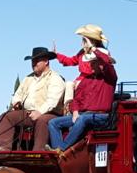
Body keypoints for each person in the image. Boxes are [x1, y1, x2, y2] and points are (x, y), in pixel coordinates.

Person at [47, 24, 118, 152]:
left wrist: (93, 49)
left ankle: (61, 150)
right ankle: (57, 149)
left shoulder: (109, 77)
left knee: (83, 119)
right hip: (84, 115)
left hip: (101, 116)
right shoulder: (85, 80)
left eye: (94, 62)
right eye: (91, 62)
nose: (92, 64)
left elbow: (107, 62)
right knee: (53, 123)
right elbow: (77, 99)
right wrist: (74, 110)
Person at [0, 47, 65, 151]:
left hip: (50, 114)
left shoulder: (55, 78)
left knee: (42, 120)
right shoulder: (28, 78)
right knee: (6, 117)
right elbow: (18, 94)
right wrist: (17, 102)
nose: (33, 63)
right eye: (32, 61)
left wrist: (40, 112)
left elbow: (52, 101)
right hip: (28, 113)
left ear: (46, 61)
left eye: (37, 61)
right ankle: (3, 148)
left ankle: (38, 151)